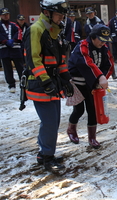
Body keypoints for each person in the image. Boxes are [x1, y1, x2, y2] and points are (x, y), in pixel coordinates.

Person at [23, 0, 74, 171]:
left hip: (53, 83)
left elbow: (59, 60)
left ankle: (45, 153)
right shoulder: (36, 30)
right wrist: (45, 81)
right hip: (41, 84)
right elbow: (33, 60)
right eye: (59, 15)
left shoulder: (54, 32)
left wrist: (66, 78)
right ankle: (46, 157)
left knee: (54, 121)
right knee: (50, 122)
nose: (62, 18)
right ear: (47, 13)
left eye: (63, 15)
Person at [67, 24, 114, 149]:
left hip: (93, 83)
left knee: (93, 110)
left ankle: (92, 138)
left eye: (105, 40)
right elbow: (87, 63)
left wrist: (102, 77)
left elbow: (109, 64)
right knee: (79, 110)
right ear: (93, 36)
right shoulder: (82, 46)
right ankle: (71, 130)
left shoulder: (104, 48)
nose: (103, 43)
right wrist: (100, 77)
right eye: (101, 39)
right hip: (77, 83)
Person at [0, 8, 24, 93]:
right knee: (7, 69)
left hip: (15, 49)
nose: (6, 16)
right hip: (4, 50)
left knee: (20, 67)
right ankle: (11, 85)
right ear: (1, 16)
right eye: (4, 15)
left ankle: (24, 83)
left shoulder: (14, 25)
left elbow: (19, 32)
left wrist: (13, 40)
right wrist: (5, 41)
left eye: (7, 14)